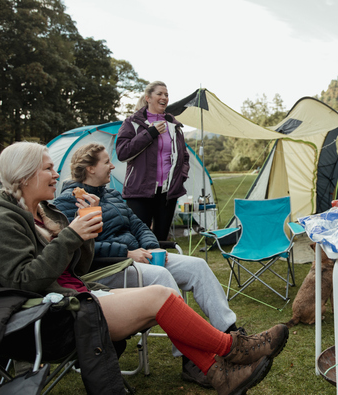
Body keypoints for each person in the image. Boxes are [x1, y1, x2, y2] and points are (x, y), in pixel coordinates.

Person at [0, 142, 289, 395]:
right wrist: (73, 235)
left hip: (77, 297)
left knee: (163, 299)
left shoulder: (43, 213)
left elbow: (77, 264)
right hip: (55, 317)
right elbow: (22, 281)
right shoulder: (2, 218)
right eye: (48, 168)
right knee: (159, 295)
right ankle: (233, 348)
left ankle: (220, 376)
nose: (56, 174)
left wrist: (86, 233)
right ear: (25, 176)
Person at [51, 142, 237, 387]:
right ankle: (191, 361)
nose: (112, 166)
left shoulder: (112, 195)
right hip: (107, 269)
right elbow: (85, 248)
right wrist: (126, 253)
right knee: (160, 277)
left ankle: (231, 334)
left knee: (197, 266)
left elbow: (138, 225)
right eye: (107, 162)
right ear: (89, 168)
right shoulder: (68, 203)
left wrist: (151, 246)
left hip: (140, 258)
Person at [116, 81, 188, 242]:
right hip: (140, 191)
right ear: (148, 98)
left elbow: (184, 156)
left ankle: (161, 267)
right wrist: (150, 133)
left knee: (161, 239)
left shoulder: (173, 126)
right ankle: (141, 268)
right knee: (139, 240)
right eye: (160, 94)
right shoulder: (133, 123)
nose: (164, 98)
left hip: (167, 193)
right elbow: (123, 153)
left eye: (166, 95)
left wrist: (180, 178)